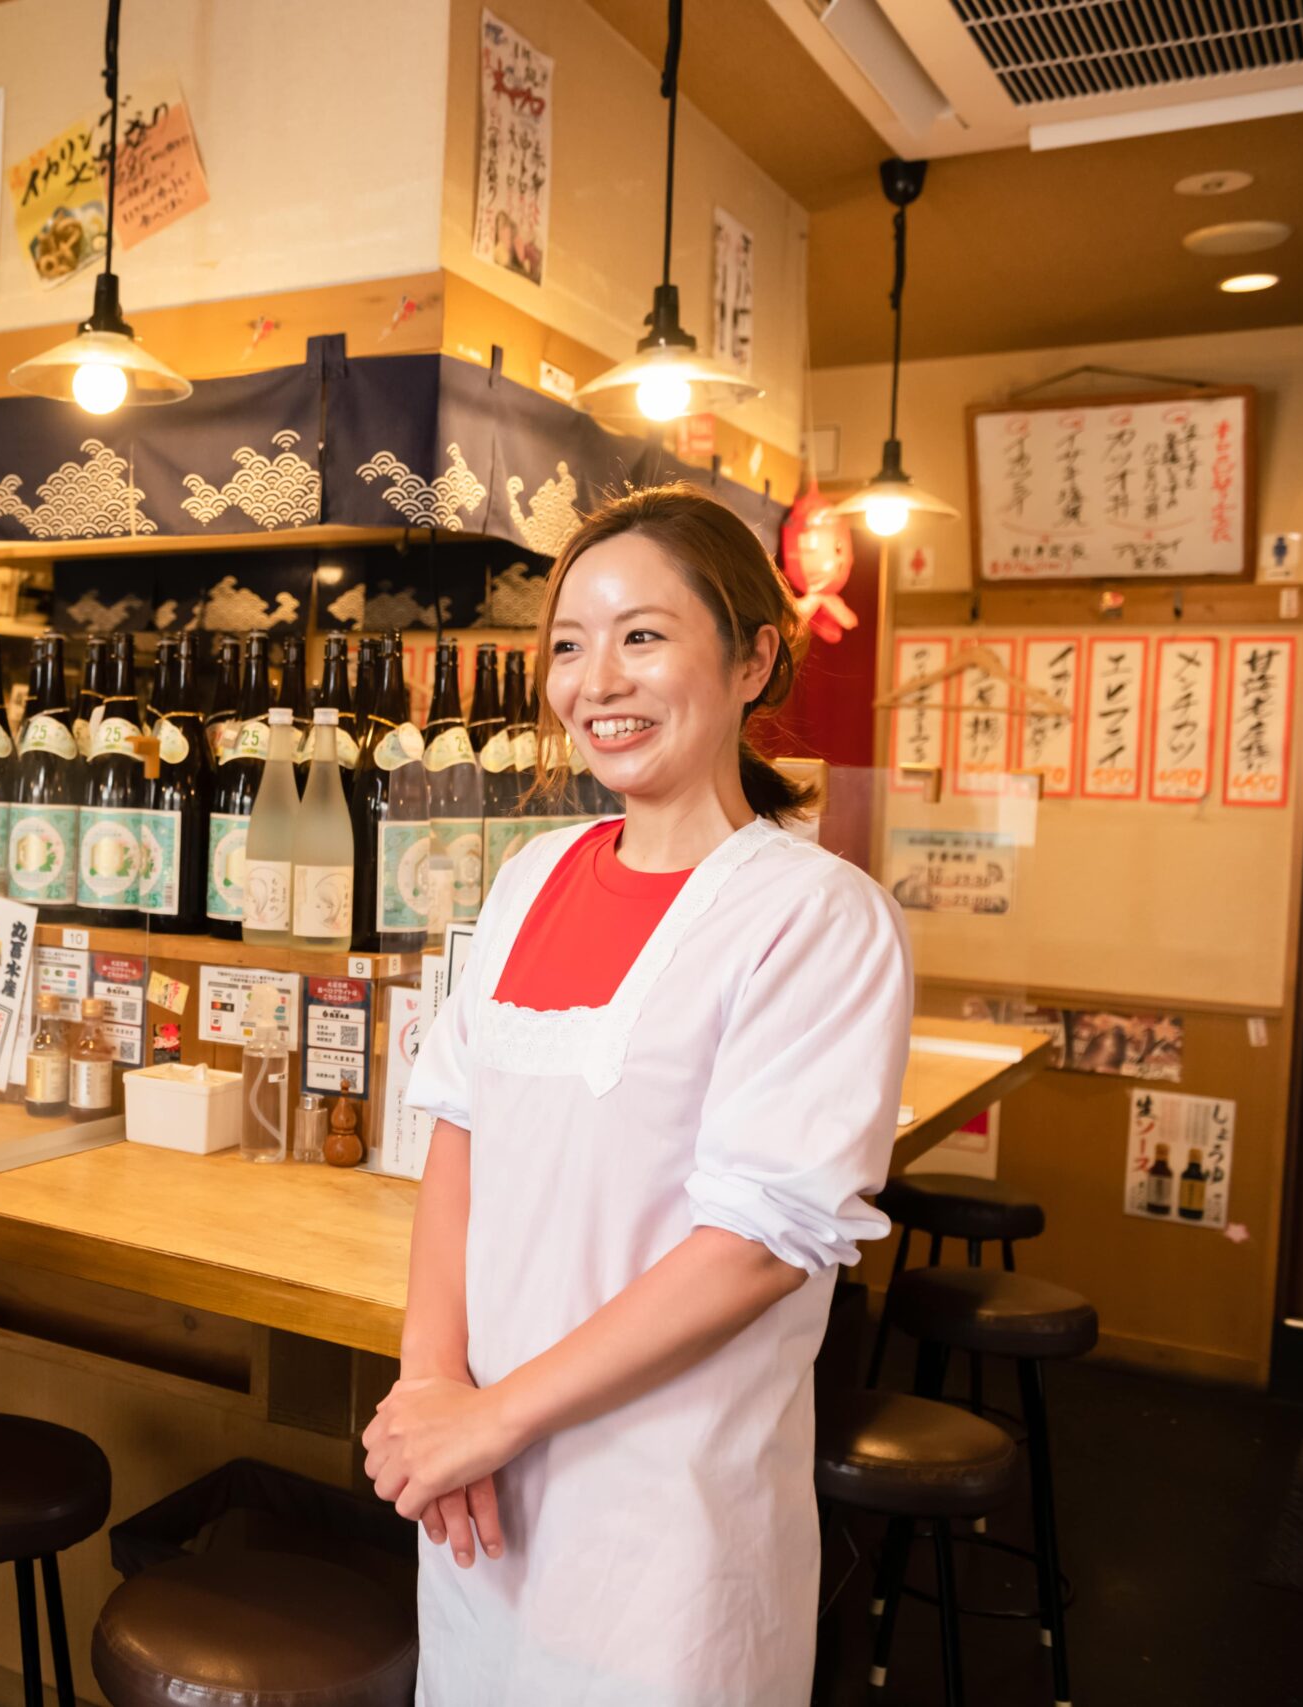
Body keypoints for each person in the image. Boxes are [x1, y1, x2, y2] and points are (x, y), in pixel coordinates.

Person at [362, 485, 912, 1704]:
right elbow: (458, 1130)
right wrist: (430, 1388)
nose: (595, 681)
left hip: (663, 1522)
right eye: (569, 644)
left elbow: (758, 1243)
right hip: (478, 1502)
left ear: (754, 657)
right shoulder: (529, 876)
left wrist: (493, 1417)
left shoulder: (813, 918)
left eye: (642, 637)